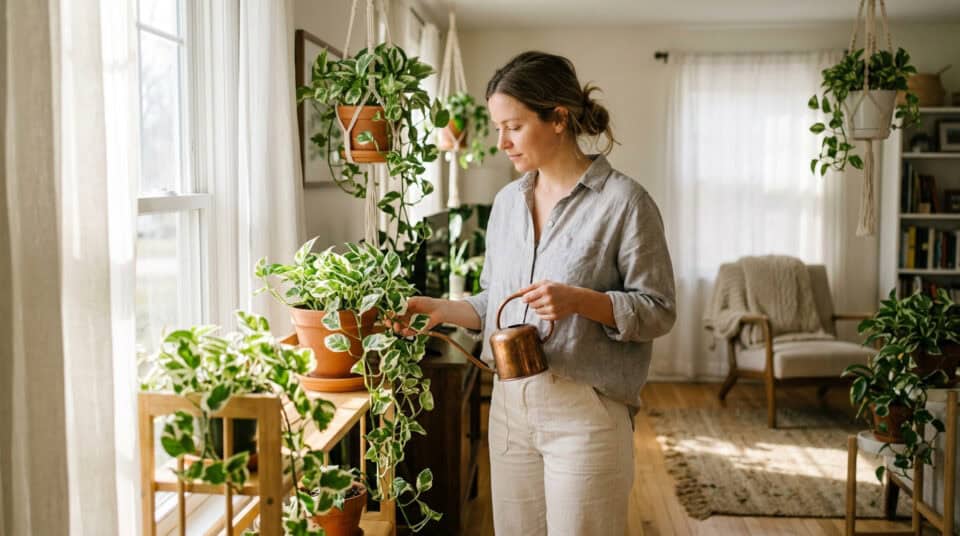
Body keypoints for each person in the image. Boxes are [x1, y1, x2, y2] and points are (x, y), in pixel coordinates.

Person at [399, 51, 676, 535]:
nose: (501, 142)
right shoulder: (508, 204)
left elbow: (659, 310)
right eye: (497, 128)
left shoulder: (625, 202)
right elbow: (496, 302)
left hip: (586, 413)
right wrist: (439, 309)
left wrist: (580, 300)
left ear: (558, 119)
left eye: (513, 126)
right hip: (509, 411)